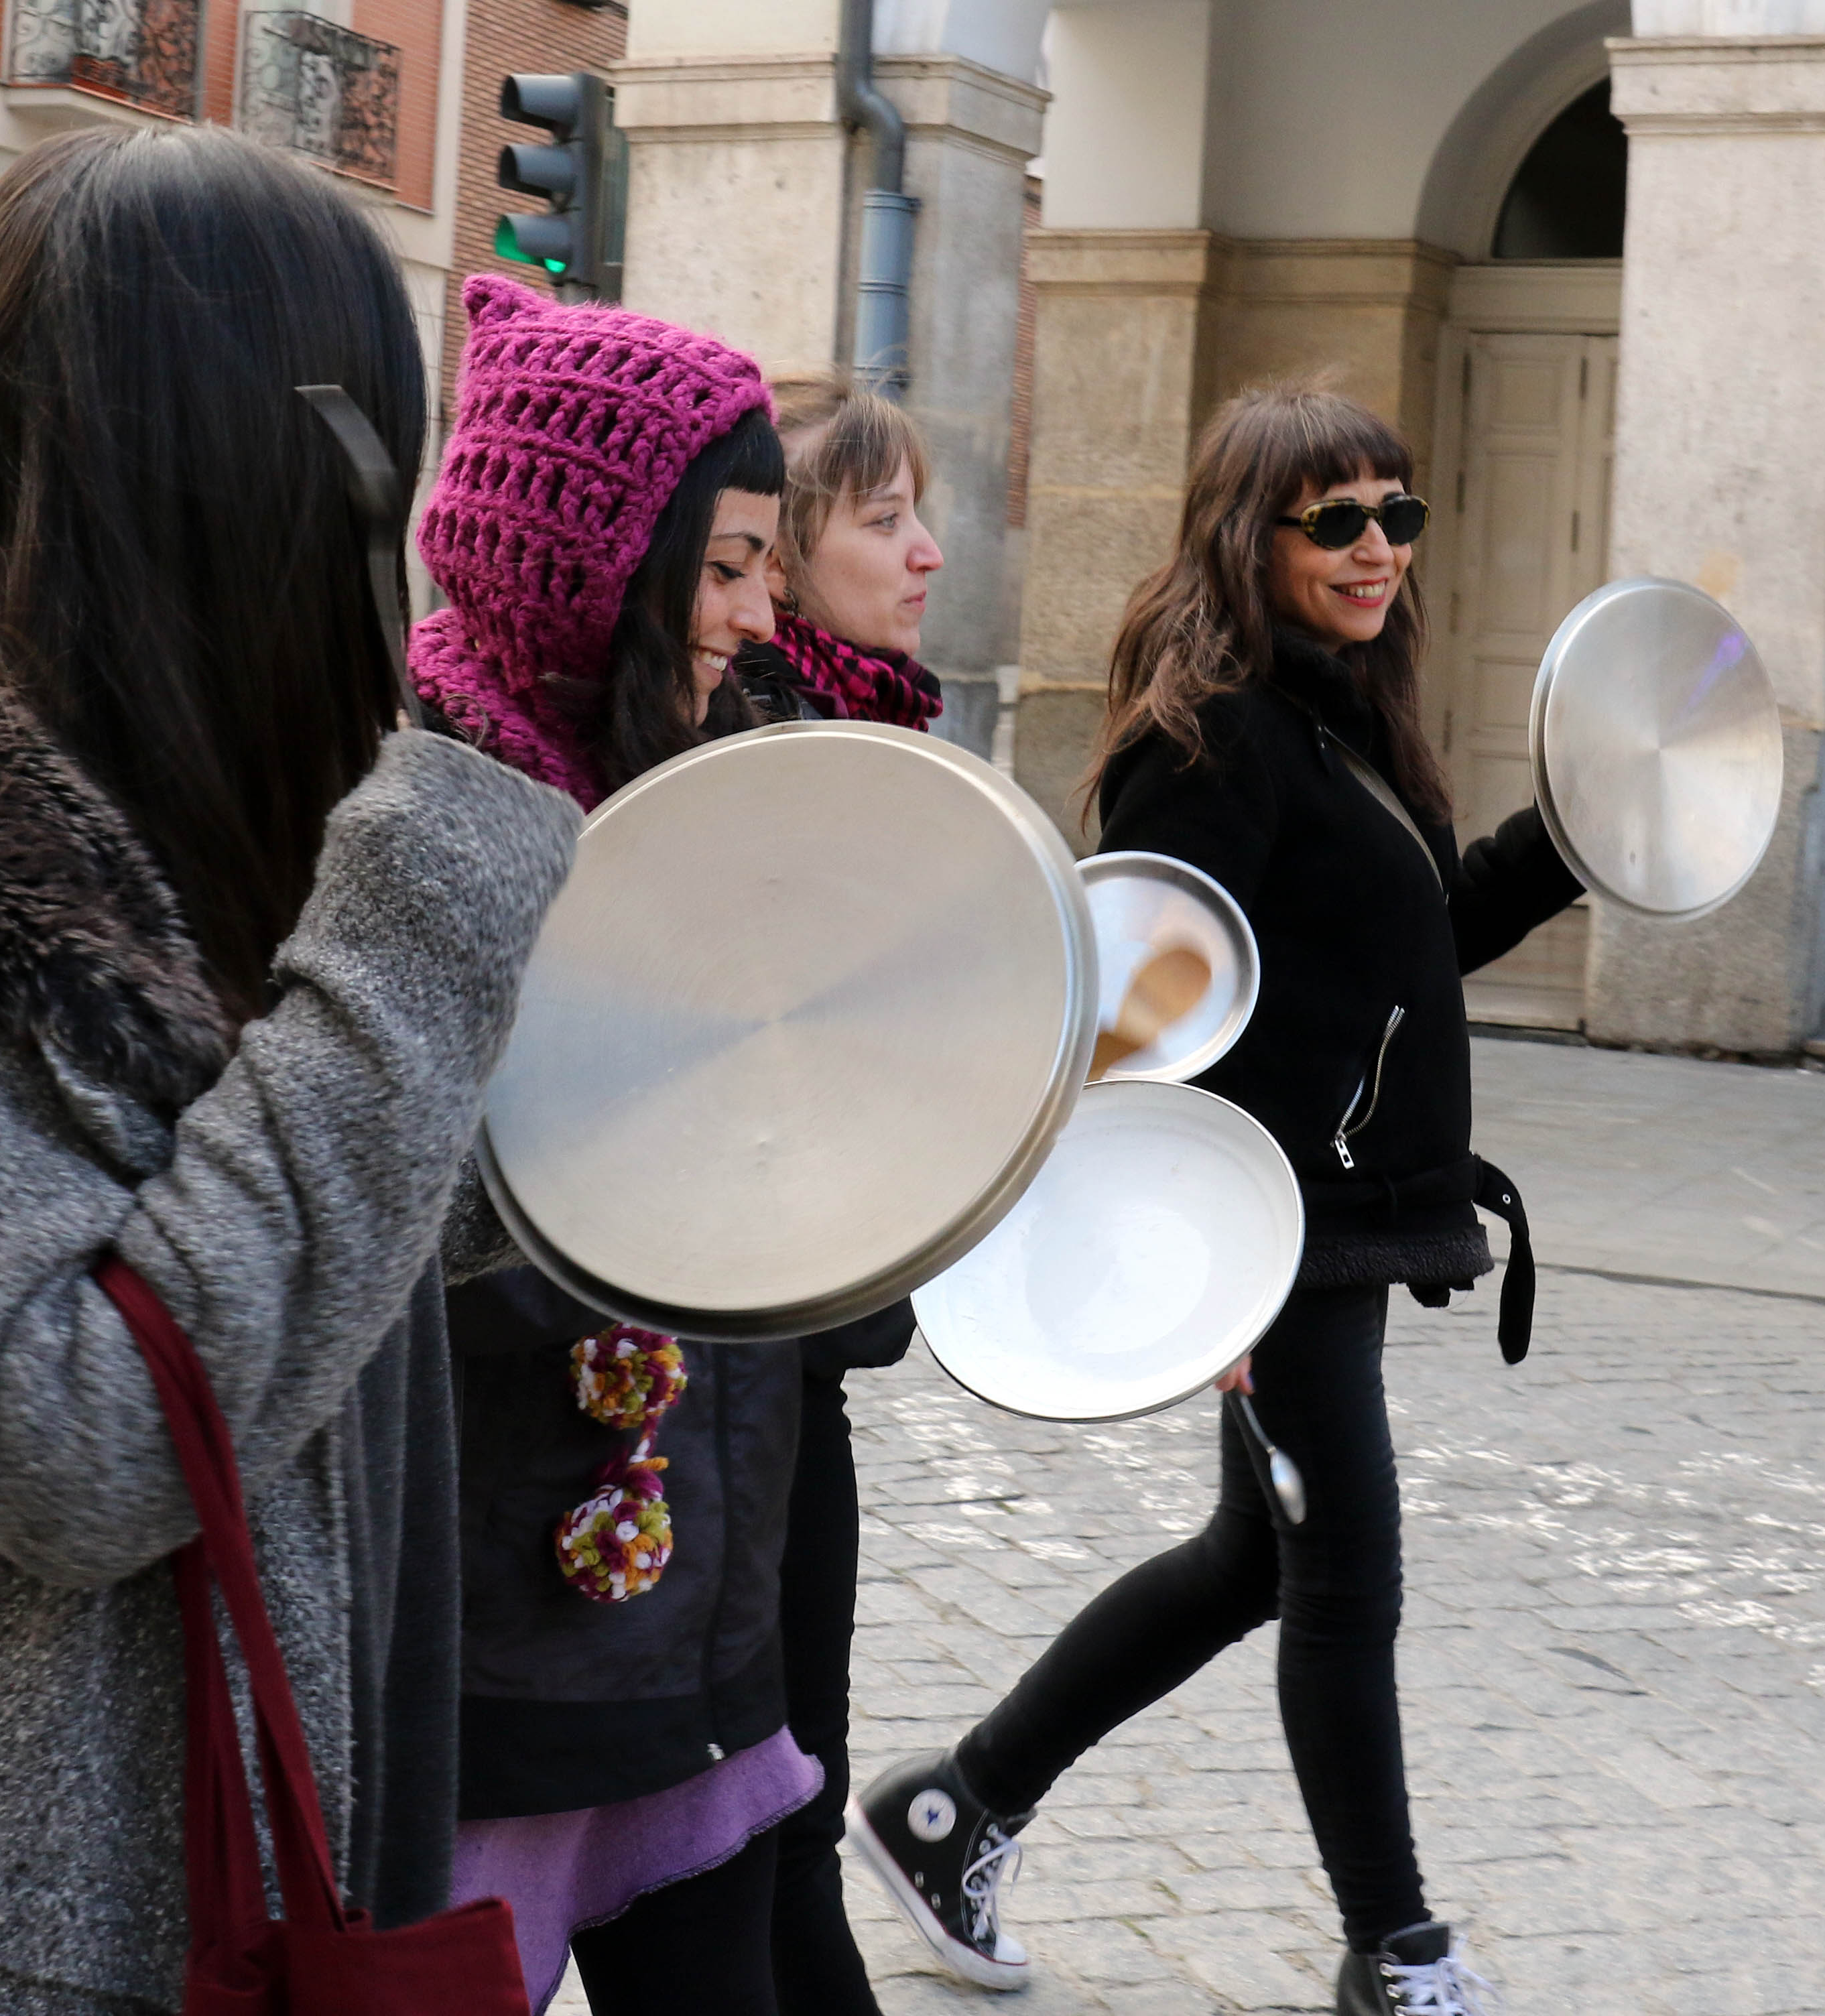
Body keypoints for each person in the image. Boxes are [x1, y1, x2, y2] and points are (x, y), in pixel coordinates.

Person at [0, 129, 580, 2015]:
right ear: (256, 473)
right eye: (379, 465)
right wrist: (421, 922)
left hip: (212, 1904)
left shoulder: (160, 811)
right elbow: (81, 1435)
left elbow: (288, 1242)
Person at [851, 383, 1580, 2016]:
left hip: (1329, 1221)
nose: (1378, 545)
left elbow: (1412, 948)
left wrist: (1574, 835)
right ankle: (1394, 1949)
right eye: (1336, 519)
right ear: (1247, 538)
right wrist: (1208, 1281)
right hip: (1272, 1237)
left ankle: (953, 1804)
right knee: (1342, 1578)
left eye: (1396, 512)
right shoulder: (1210, 740)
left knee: (1259, 1560)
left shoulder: (1335, 717)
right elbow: (1144, 1027)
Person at [412, 274, 820, 2016]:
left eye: (766, 565)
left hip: (702, 1647)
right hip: (487, 1678)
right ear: (596, 563)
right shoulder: (417, 822)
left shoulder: (727, 785)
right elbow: (391, 1233)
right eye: (720, 565)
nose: (754, 608)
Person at [729, 369, 944, 2016]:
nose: (927, 550)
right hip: (740, 1370)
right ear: (783, 556)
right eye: (884, 518)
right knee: (771, 1801)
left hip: (810, 1367)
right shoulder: (770, 752)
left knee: (787, 1794)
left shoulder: (873, 729)